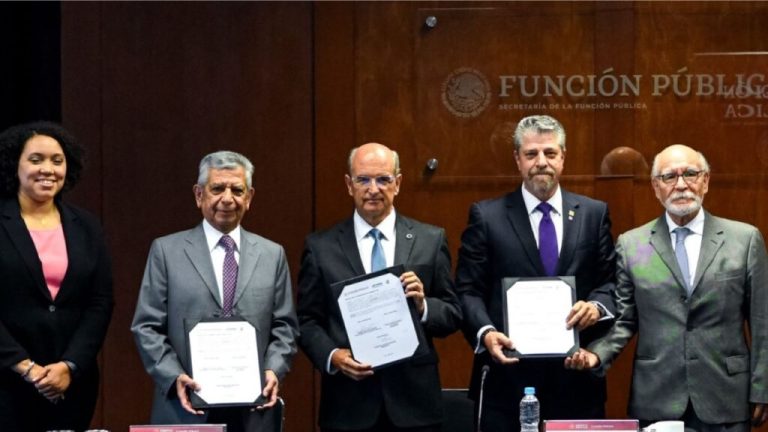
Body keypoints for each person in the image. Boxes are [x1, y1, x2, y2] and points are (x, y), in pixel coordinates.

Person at [566, 144, 768, 432]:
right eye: (669, 177)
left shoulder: (744, 240)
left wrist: (763, 387)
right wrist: (597, 354)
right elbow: (625, 319)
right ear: (656, 187)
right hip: (657, 397)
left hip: (726, 396)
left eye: (690, 174)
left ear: (705, 181)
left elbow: (762, 321)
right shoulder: (632, 245)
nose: (681, 185)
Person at [456, 115, 617, 432]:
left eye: (550, 153)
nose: (541, 162)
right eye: (531, 154)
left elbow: (610, 282)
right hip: (507, 384)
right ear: (518, 159)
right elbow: (466, 290)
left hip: (576, 381)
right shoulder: (487, 216)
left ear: (563, 157)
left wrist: (596, 307)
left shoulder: (593, 213)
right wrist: (486, 332)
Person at [297, 142, 462, 432]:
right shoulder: (321, 247)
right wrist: (333, 356)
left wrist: (423, 306)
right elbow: (306, 320)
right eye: (363, 179)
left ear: (398, 183)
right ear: (349, 185)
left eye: (383, 179)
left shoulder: (430, 239)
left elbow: (452, 313)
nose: (373, 189)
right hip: (348, 404)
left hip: (415, 406)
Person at [131, 150, 298, 431]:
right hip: (185, 407)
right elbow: (146, 326)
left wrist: (273, 369)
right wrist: (173, 376)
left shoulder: (272, 254)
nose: (227, 198)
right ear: (199, 195)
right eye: (217, 188)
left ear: (249, 197)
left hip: (254, 411)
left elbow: (286, 327)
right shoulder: (166, 251)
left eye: (237, 190)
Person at [0, 121, 114, 431]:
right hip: (7, 381)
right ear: (14, 165)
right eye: (36, 159)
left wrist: (69, 365)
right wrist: (27, 368)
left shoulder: (86, 225)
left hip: (71, 385)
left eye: (57, 161)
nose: (48, 169)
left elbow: (100, 302)